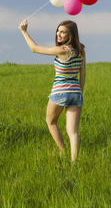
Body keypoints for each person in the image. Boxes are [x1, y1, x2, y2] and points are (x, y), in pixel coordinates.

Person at [19, 19, 86, 162]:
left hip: (60, 91)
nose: (58, 34)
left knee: (51, 122)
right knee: (73, 131)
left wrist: (24, 31)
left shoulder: (61, 50)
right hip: (76, 92)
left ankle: (63, 152)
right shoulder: (81, 50)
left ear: (70, 36)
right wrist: (80, 92)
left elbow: (35, 48)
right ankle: (75, 163)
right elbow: (83, 74)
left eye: (63, 32)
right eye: (58, 31)